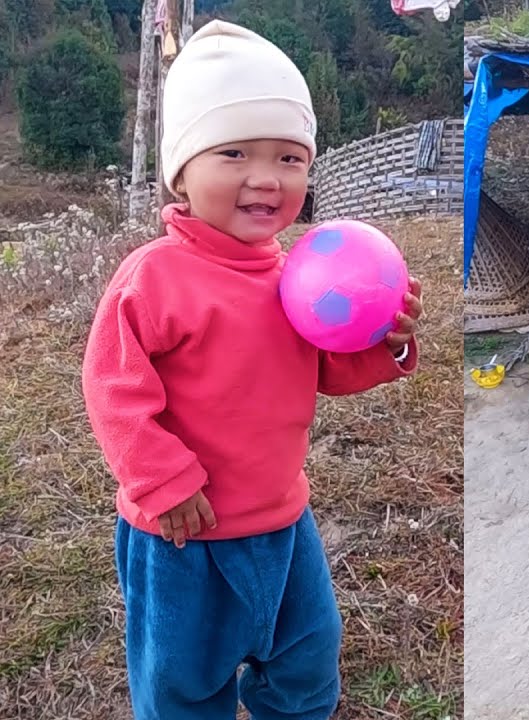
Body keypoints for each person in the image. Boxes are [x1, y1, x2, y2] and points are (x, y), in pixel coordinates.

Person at [81, 21, 423, 720]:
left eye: (291, 158)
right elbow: (111, 387)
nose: (266, 177)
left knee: (306, 664)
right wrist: (160, 479)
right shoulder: (155, 277)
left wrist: (382, 342)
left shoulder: (301, 275)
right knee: (183, 683)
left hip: (281, 521)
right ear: (182, 170)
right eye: (234, 152)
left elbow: (322, 367)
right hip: (182, 536)